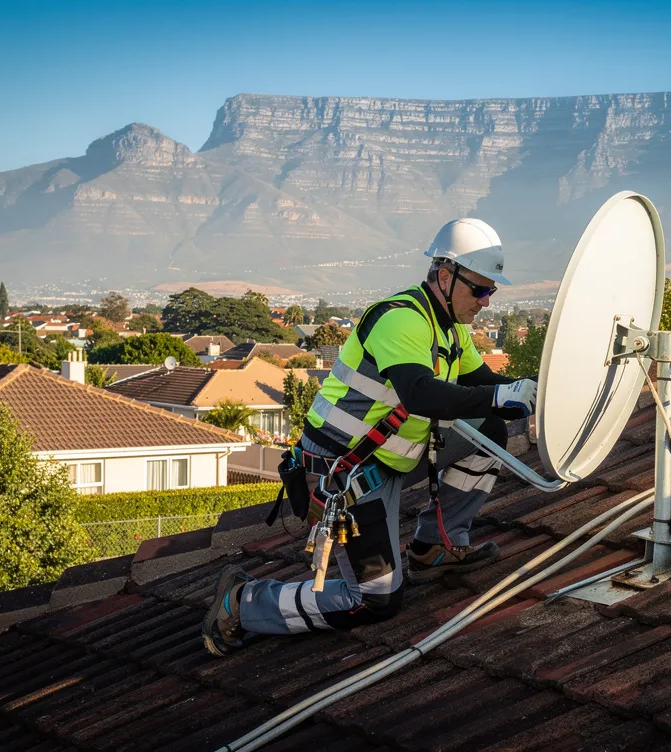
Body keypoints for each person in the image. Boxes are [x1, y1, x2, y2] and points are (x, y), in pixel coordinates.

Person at [203, 218, 538, 656]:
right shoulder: (400, 320)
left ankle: (436, 547)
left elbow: (480, 382)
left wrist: (535, 389)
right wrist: (499, 394)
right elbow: (419, 394)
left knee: (489, 431)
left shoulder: (451, 328)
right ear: (444, 276)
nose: (486, 301)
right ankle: (243, 602)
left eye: (491, 291)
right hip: (347, 473)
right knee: (376, 599)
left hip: (397, 457)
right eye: (479, 289)